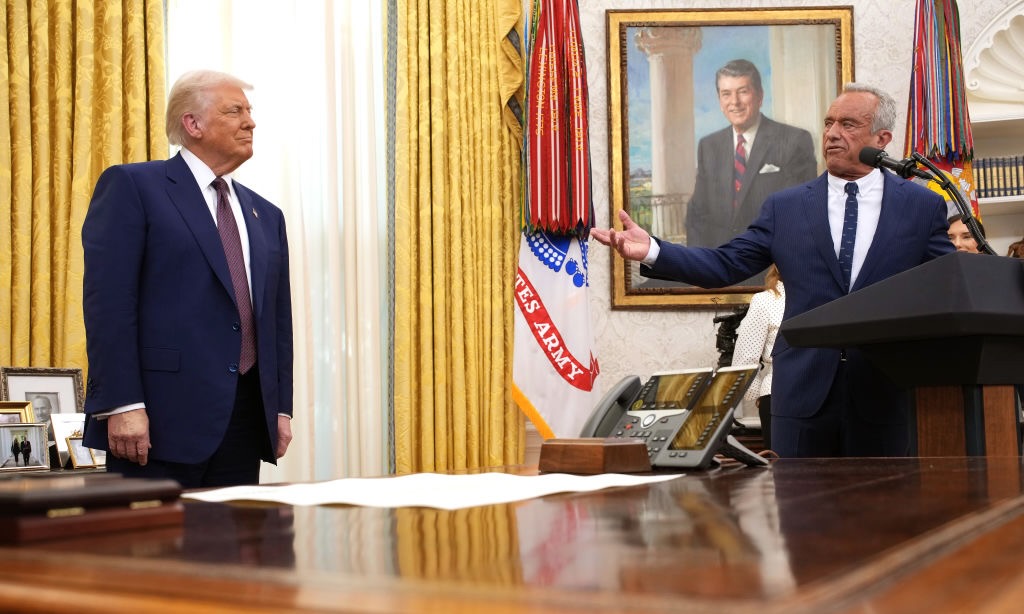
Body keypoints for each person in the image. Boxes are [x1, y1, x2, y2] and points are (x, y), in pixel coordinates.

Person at [592, 83, 954, 458]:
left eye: (848, 124)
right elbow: (725, 264)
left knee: (887, 512)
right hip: (802, 396)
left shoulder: (921, 206)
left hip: (886, 393)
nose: (831, 134)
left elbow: (948, 285)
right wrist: (652, 250)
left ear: (882, 138)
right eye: (829, 123)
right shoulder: (786, 207)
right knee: (799, 513)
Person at [82, 70, 294, 488]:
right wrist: (122, 403)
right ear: (192, 124)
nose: (250, 122)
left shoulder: (266, 215)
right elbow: (109, 304)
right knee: (154, 552)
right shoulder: (134, 186)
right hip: (157, 424)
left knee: (232, 551)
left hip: (244, 422)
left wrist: (280, 409)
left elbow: (276, 322)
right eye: (234, 111)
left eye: (249, 112)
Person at [685, 59, 817, 252]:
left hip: (770, 261)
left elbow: (798, 212)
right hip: (718, 262)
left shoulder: (794, 140)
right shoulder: (709, 146)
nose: (735, 102)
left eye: (743, 91)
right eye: (726, 94)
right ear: (720, 101)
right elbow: (697, 213)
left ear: (760, 96)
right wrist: (701, 263)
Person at [731, 264, 784, 450]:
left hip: (825, 394)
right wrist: (759, 395)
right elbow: (745, 357)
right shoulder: (765, 300)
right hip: (778, 394)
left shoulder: (823, 296)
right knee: (782, 469)